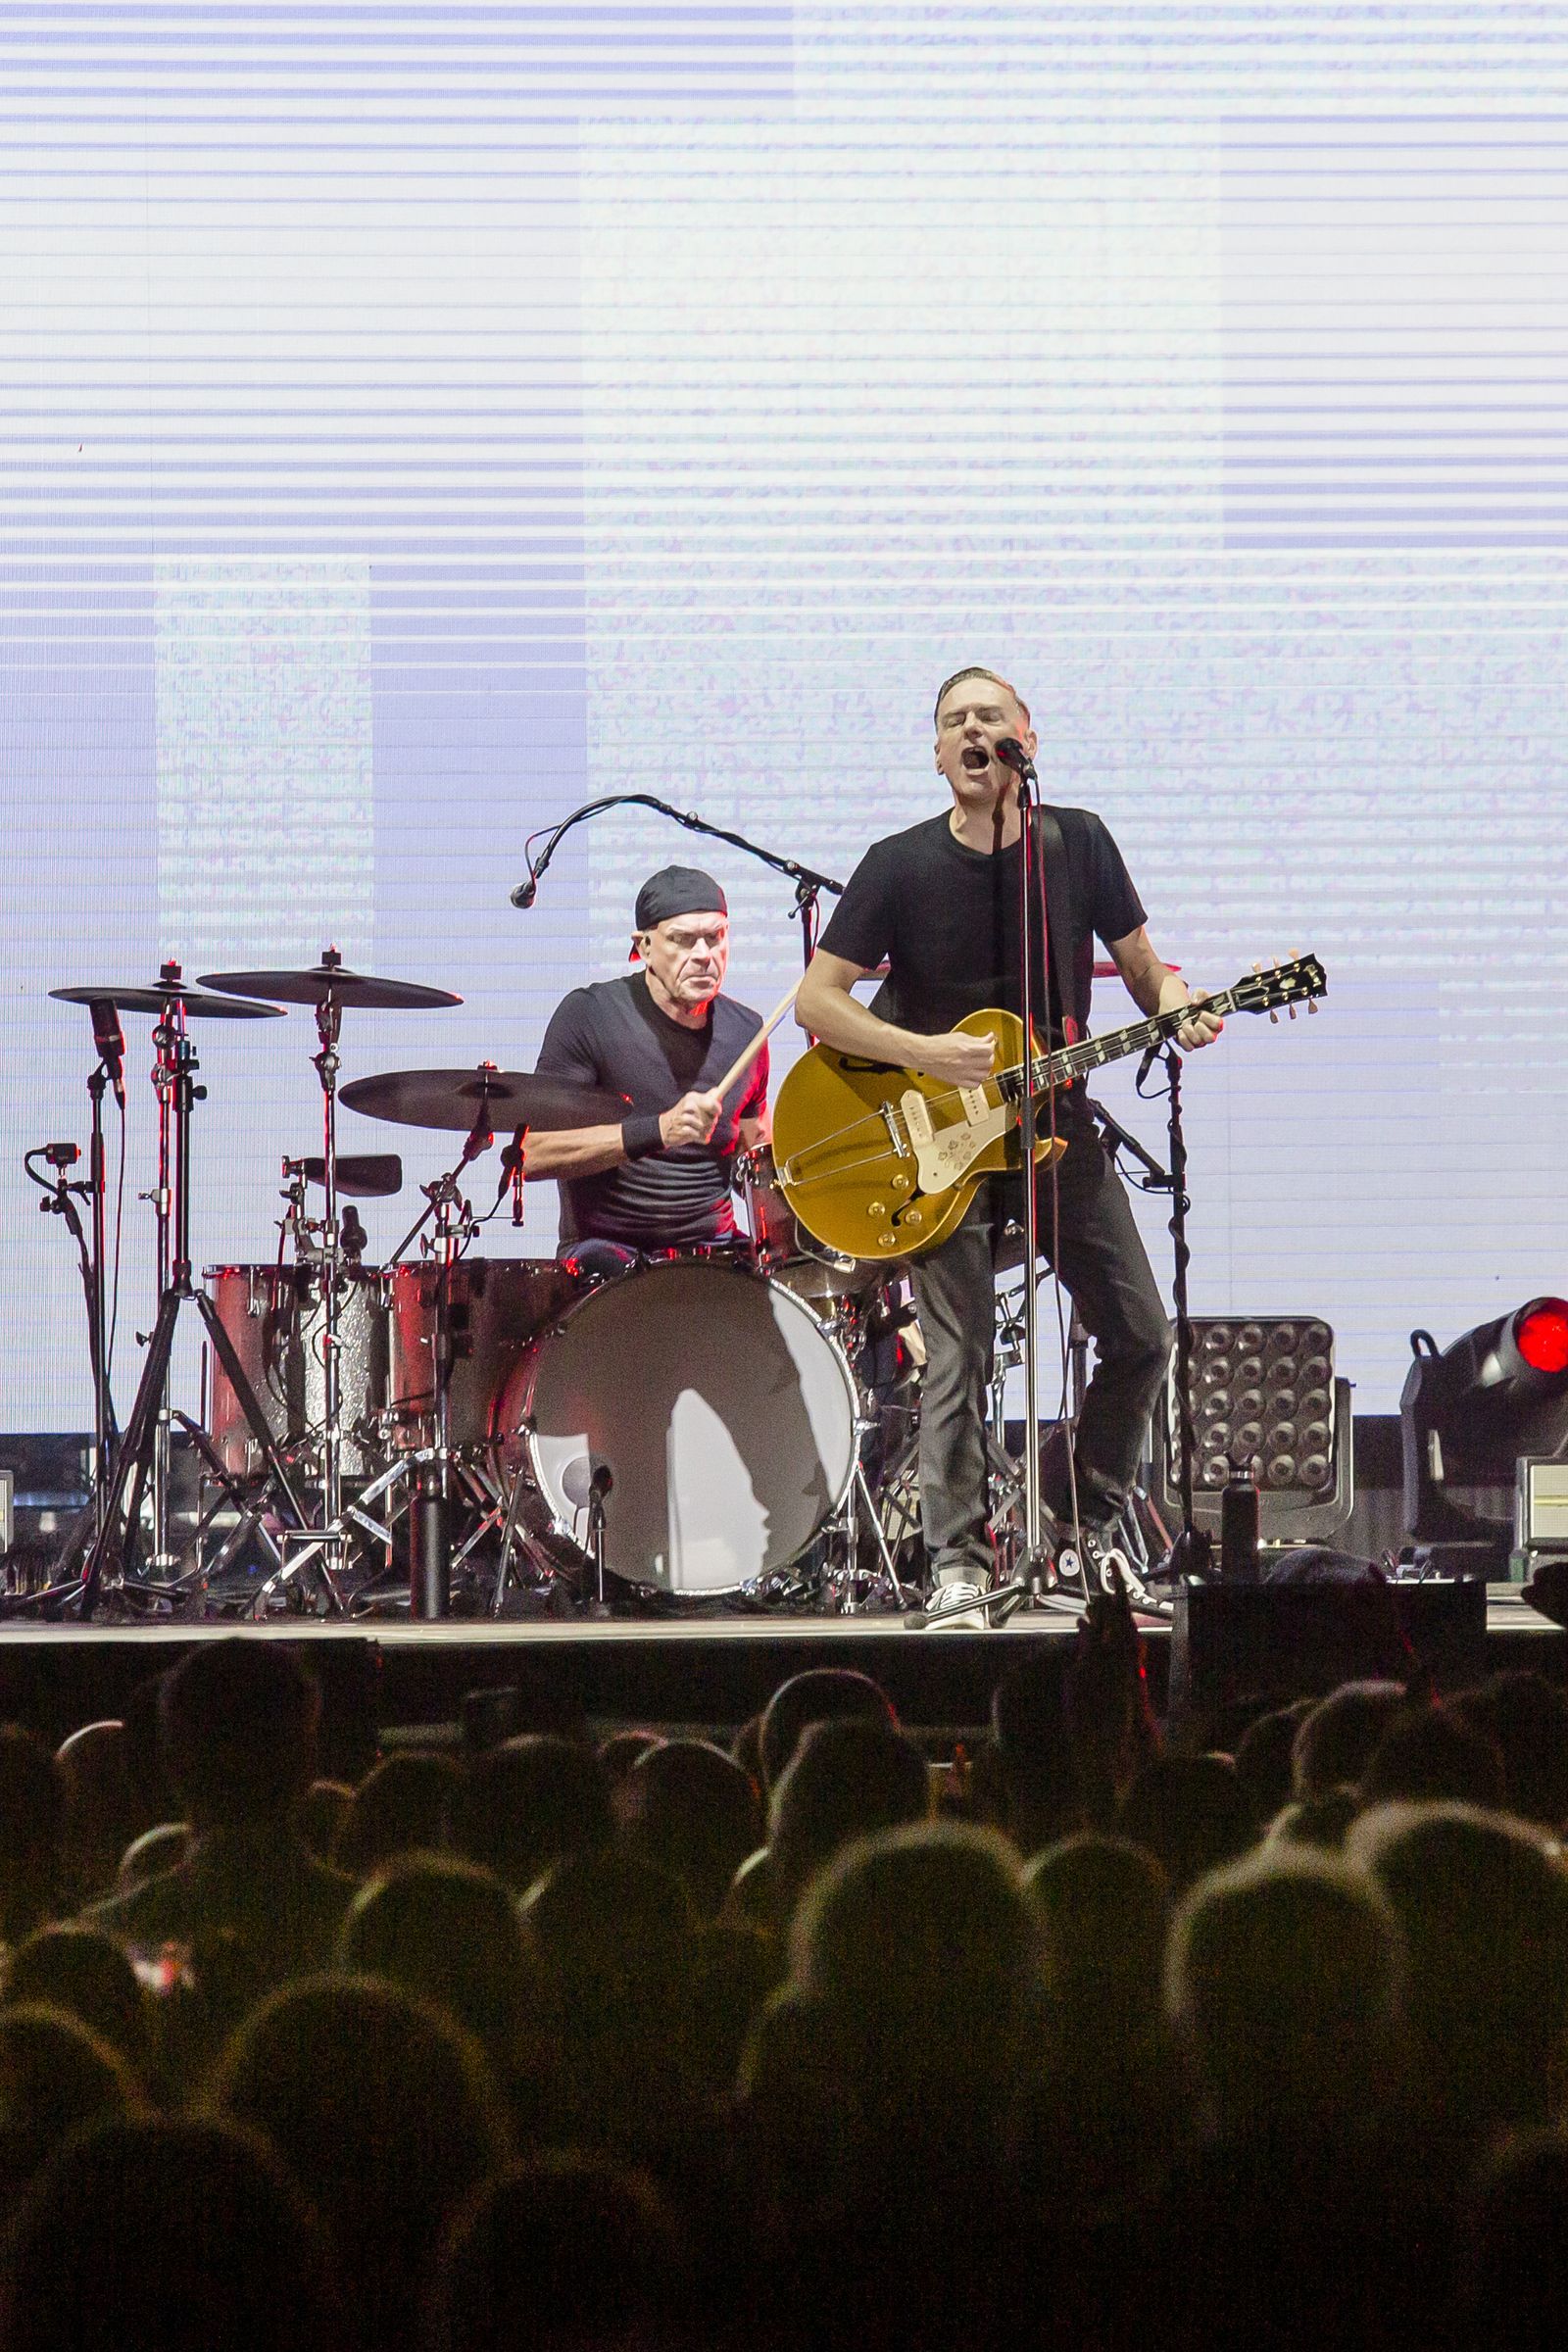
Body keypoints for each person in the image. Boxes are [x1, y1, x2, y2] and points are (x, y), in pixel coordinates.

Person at [794, 665, 1221, 1619]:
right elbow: (817, 1003)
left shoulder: (1078, 844)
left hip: (1054, 1130)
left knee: (1143, 1335)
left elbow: (1143, 968)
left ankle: (1074, 1519)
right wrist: (923, 1054)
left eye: (989, 717)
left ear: (1027, 739)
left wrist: (1182, 1006)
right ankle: (959, 1563)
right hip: (929, 1146)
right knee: (959, 1354)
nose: (972, 732)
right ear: (938, 751)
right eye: (954, 722)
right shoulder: (897, 863)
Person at [527, 863, 769, 1253]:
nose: (704, 955)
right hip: (609, 1250)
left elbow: (754, 1160)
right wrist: (658, 1130)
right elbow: (533, 1154)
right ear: (644, 947)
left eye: (715, 937)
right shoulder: (590, 1015)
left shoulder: (747, 1031)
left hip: (715, 1249)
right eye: (683, 940)